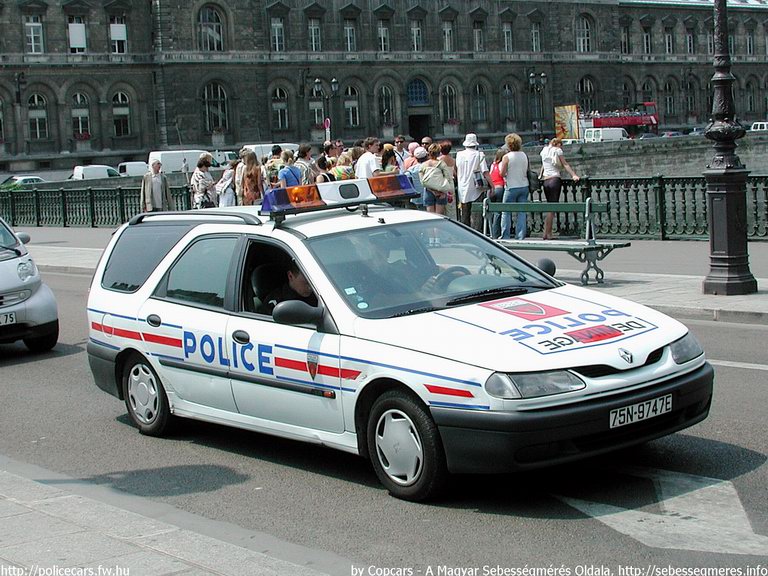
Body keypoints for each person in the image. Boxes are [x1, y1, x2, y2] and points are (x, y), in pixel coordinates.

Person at [540, 137, 580, 239]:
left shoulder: (544, 150)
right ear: (558, 144)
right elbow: (565, 164)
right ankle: (548, 233)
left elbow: (543, 166)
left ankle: (545, 232)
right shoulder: (557, 150)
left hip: (546, 181)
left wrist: (540, 175)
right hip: (554, 180)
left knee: (549, 207)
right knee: (552, 208)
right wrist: (574, 175)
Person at [455, 133, 491, 229]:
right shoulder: (479, 154)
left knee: (464, 214)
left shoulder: (459, 155)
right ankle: (476, 232)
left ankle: (465, 232)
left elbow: (456, 170)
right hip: (476, 187)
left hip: (462, 187)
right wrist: (492, 185)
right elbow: (485, 172)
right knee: (476, 216)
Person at [499, 133, 531, 240]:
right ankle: (520, 235)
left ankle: (505, 235)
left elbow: (502, 173)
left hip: (511, 186)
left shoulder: (506, 157)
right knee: (522, 212)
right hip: (524, 185)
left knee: (506, 212)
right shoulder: (524, 155)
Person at [419, 143, 453, 222]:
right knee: (439, 218)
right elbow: (448, 177)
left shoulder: (423, 165)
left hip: (428, 191)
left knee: (430, 218)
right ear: (438, 153)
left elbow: (422, 181)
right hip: (441, 192)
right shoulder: (441, 164)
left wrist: (433, 191)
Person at [486, 148, 506, 238]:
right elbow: (503, 176)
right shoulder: (502, 164)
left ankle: (490, 231)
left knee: (491, 212)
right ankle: (496, 233)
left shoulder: (493, 165)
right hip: (499, 188)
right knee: (498, 212)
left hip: (492, 189)